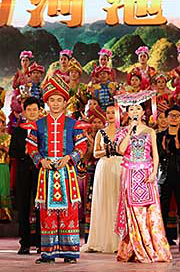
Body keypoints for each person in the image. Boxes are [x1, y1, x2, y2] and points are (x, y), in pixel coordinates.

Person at [27, 75, 87, 264]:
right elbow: (31, 146)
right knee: (47, 213)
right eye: (52, 100)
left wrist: (69, 158)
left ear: (65, 102)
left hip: (66, 172)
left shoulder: (73, 123)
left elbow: (82, 146)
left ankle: (70, 253)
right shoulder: (38, 124)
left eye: (59, 100)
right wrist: (40, 160)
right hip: (46, 173)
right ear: (47, 102)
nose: (55, 103)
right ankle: (48, 253)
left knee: (69, 212)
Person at [115, 90, 172, 263]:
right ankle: (136, 248)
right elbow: (120, 150)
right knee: (134, 213)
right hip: (130, 174)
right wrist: (129, 131)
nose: (134, 112)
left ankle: (153, 247)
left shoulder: (150, 131)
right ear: (127, 112)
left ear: (143, 112)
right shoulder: (123, 132)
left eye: (138, 109)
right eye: (131, 109)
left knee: (150, 213)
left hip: (147, 174)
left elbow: (155, 154)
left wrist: (154, 173)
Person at [83, 105, 122, 254]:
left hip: (120, 166)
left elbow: (126, 151)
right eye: (108, 113)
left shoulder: (123, 132)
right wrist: (106, 150)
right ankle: (102, 240)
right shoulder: (101, 132)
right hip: (104, 166)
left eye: (114, 112)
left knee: (118, 200)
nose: (111, 115)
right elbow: (96, 153)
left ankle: (119, 241)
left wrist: (117, 150)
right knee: (104, 200)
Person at [9, 96, 41, 255]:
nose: (32, 112)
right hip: (22, 172)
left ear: (39, 111)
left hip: (40, 171)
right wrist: (25, 152)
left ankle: (41, 242)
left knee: (40, 206)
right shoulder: (18, 130)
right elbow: (12, 152)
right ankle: (24, 243)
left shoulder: (43, 129)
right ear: (24, 111)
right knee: (23, 207)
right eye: (29, 110)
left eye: (35, 109)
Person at [157, 104, 180, 251]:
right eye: (171, 115)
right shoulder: (159, 136)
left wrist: (178, 147)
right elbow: (156, 156)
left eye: (177, 116)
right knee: (162, 209)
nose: (174, 118)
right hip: (164, 176)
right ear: (166, 118)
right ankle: (162, 239)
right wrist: (164, 149)